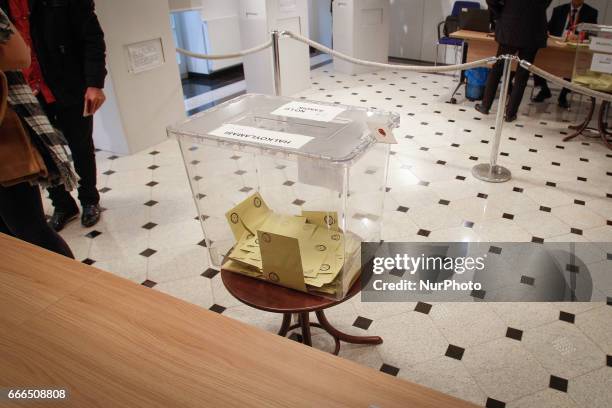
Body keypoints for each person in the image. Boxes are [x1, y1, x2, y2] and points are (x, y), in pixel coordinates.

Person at [1, 0, 107, 231]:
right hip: (24, 93)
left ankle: (89, 199)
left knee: (81, 146)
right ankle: (62, 204)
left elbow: (92, 39)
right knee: (42, 150)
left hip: (67, 84)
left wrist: (94, 84)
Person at [0, 7, 77, 257]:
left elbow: (19, 55)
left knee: (28, 228)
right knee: (11, 232)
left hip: (9, 135)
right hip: (35, 94)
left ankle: (78, 290)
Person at [476, 0, 552, 122]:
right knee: (522, 74)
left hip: (510, 25)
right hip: (534, 28)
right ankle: (510, 114)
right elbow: (545, 3)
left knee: (497, 69)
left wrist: (501, 13)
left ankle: (485, 106)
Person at [533, 0, 598, 108]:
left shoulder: (591, 12)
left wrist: (580, 36)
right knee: (538, 58)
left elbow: (592, 33)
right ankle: (544, 89)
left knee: (573, 65)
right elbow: (549, 27)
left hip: (574, 47)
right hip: (557, 44)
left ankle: (563, 94)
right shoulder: (559, 10)